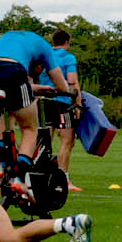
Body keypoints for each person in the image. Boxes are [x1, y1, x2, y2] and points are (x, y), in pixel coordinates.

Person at [0, 23, 55, 166]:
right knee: (30, 129)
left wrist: (33, 88)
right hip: (13, 72)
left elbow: (15, 84)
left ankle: (4, 165)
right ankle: (19, 178)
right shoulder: (44, 46)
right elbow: (57, 78)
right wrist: (68, 92)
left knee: (6, 112)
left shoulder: (8, 38)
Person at [44, 27, 84, 183]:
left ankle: (42, 176)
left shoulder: (44, 57)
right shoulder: (68, 58)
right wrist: (78, 104)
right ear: (66, 42)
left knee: (44, 141)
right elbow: (73, 82)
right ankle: (63, 179)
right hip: (62, 102)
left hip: (43, 102)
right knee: (67, 141)